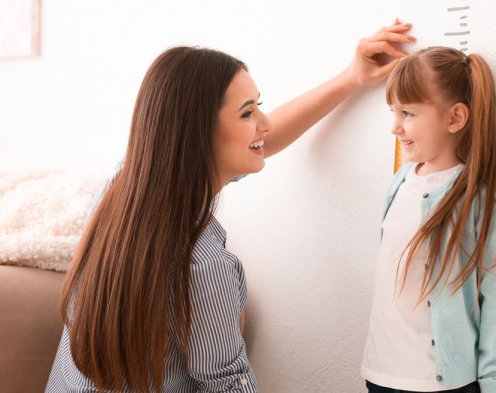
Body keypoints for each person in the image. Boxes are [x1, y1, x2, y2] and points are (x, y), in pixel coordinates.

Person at [45, 21, 415, 393]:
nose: (264, 123)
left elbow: (259, 140)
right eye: (247, 113)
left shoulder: (122, 187)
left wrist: (349, 79)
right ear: (198, 135)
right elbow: (227, 386)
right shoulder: (205, 266)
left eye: (259, 107)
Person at [360, 47, 496, 393]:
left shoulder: (483, 194)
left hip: (440, 383)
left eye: (407, 113)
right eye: (393, 112)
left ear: (455, 118)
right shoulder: (400, 181)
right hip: (380, 374)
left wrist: (495, 385)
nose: (394, 127)